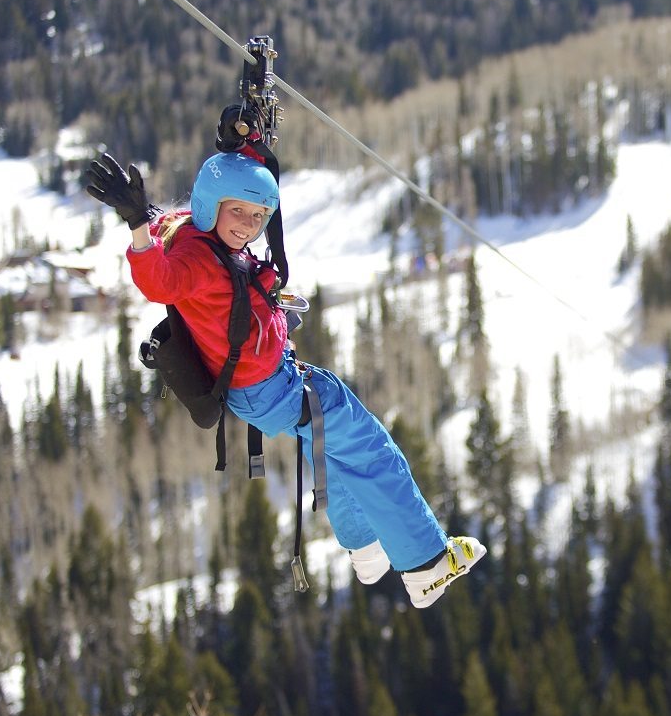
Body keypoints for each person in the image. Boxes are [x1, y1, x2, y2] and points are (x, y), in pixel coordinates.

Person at [85, 149, 486, 608]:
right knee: (371, 450)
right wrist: (135, 222)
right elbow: (159, 282)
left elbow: (175, 229)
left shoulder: (189, 230)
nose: (249, 225)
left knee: (332, 445)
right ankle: (427, 565)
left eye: (258, 216)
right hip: (270, 389)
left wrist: (247, 136)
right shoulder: (197, 261)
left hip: (258, 387)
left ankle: (366, 547)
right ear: (210, 204)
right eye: (238, 211)